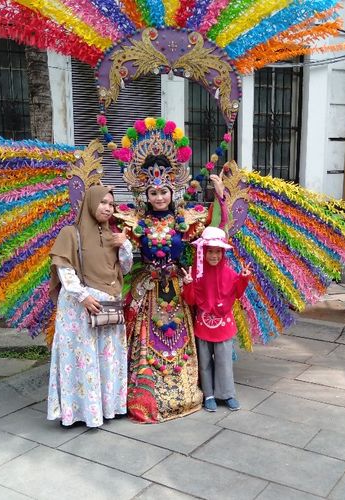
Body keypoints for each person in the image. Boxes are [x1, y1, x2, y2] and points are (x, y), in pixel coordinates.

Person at [112, 118, 226, 423]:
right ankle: (144, 394)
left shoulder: (187, 219)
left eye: (164, 191)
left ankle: (186, 391)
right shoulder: (134, 221)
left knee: (177, 337)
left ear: (172, 191)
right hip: (147, 286)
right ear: (144, 195)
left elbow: (215, 231)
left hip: (177, 286)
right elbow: (105, 229)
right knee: (147, 339)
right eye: (153, 193)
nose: (159, 197)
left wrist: (219, 195)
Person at [47, 185, 134, 428]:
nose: (108, 208)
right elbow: (64, 269)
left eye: (111, 204)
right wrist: (83, 297)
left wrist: (124, 246)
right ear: (90, 203)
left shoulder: (112, 235)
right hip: (79, 309)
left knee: (107, 358)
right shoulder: (70, 233)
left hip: (107, 306)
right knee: (82, 359)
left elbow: (123, 270)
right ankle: (79, 413)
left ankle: (108, 408)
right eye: (103, 202)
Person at [181, 226, 250, 412]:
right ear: (203, 252)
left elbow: (236, 293)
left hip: (224, 326)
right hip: (203, 325)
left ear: (223, 253)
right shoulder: (197, 273)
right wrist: (187, 285)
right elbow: (191, 299)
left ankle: (227, 394)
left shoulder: (229, 273)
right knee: (205, 362)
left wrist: (243, 279)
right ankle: (208, 394)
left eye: (218, 252)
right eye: (210, 251)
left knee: (224, 361)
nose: (214, 256)